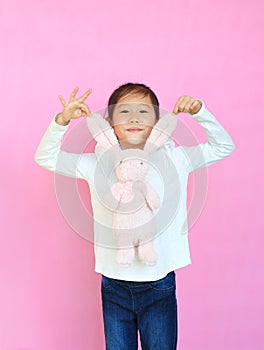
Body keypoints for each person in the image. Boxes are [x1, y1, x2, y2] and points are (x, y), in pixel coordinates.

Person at [34, 83, 235, 349]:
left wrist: (200, 112)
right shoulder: (96, 165)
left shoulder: (176, 159)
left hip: (159, 284)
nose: (134, 118)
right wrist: (62, 121)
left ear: (158, 124)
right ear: (108, 124)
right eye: (124, 111)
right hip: (114, 284)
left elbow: (223, 146)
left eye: (144, 111)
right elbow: (46, 157)